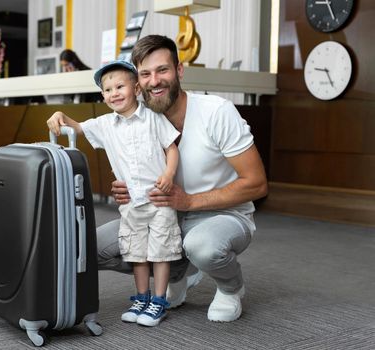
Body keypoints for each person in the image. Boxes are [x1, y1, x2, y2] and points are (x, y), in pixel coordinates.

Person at [97, 35, 268, 322]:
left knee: (202, 246)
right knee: (93, 249)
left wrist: (188, 201)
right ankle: (179, 272)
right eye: (146, 73)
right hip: (160, 217)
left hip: (221, 216)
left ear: (179, 70)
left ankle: (230, 288)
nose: (155, 81)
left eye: (162, 70)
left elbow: (257, 183)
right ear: (137, 81)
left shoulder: (216, 111)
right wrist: (125, 187)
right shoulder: (136, 118)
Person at [47, 60, 182, 326]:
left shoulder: (154, 118)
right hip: (131, 204)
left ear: (136, 88)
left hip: (158, 201)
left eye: (120, 86)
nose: (114, 93)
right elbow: (77, 128)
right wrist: (60, 114)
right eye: (108, 90)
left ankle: (158, 302)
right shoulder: (105, 124)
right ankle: (142, 298)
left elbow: (172, 148)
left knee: (161, 252)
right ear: (102, 96)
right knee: (136, 254)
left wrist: (168, 175)